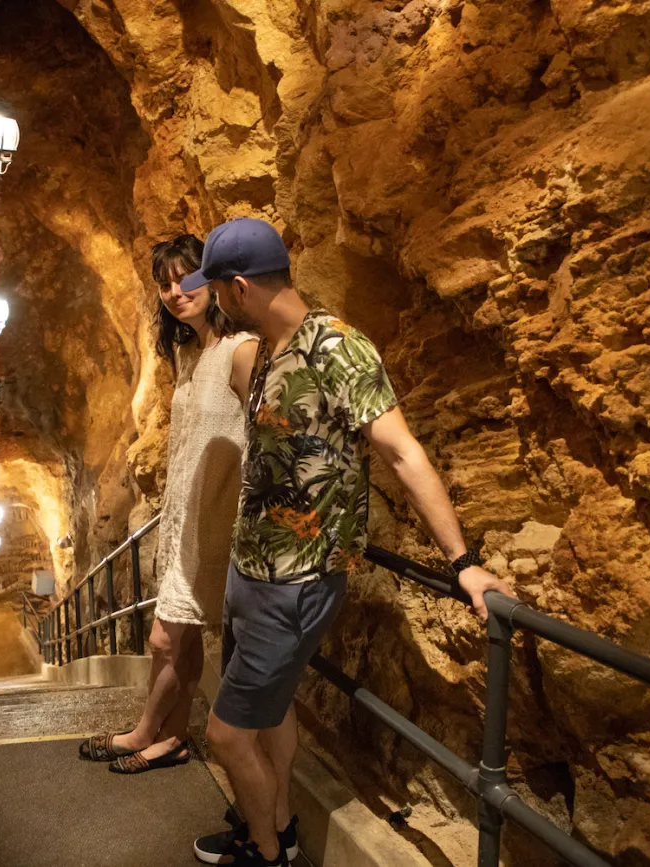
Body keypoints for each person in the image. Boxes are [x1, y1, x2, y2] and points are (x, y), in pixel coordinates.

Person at [185, 218, 515, 866]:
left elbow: (403, 452)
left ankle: (265, 854)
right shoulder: (266, 351)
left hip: (296, 583)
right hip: (253, 571)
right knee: (271, 712)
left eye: (217, 289)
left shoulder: (338, 348)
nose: (215, 301)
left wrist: (464, 563)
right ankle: (278, 827)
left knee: (225, 734)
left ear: (240, 287)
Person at [77, 234, 259, 774]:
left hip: (218, 520)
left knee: (163, 638)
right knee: (184, 639)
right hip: (186, 520)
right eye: (165, 284)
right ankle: (173, 739)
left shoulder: (241, 349)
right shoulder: (188, 353)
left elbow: (268, 433)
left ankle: (142, 732)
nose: (176, 292)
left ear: (214, 279)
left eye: (187, 277)